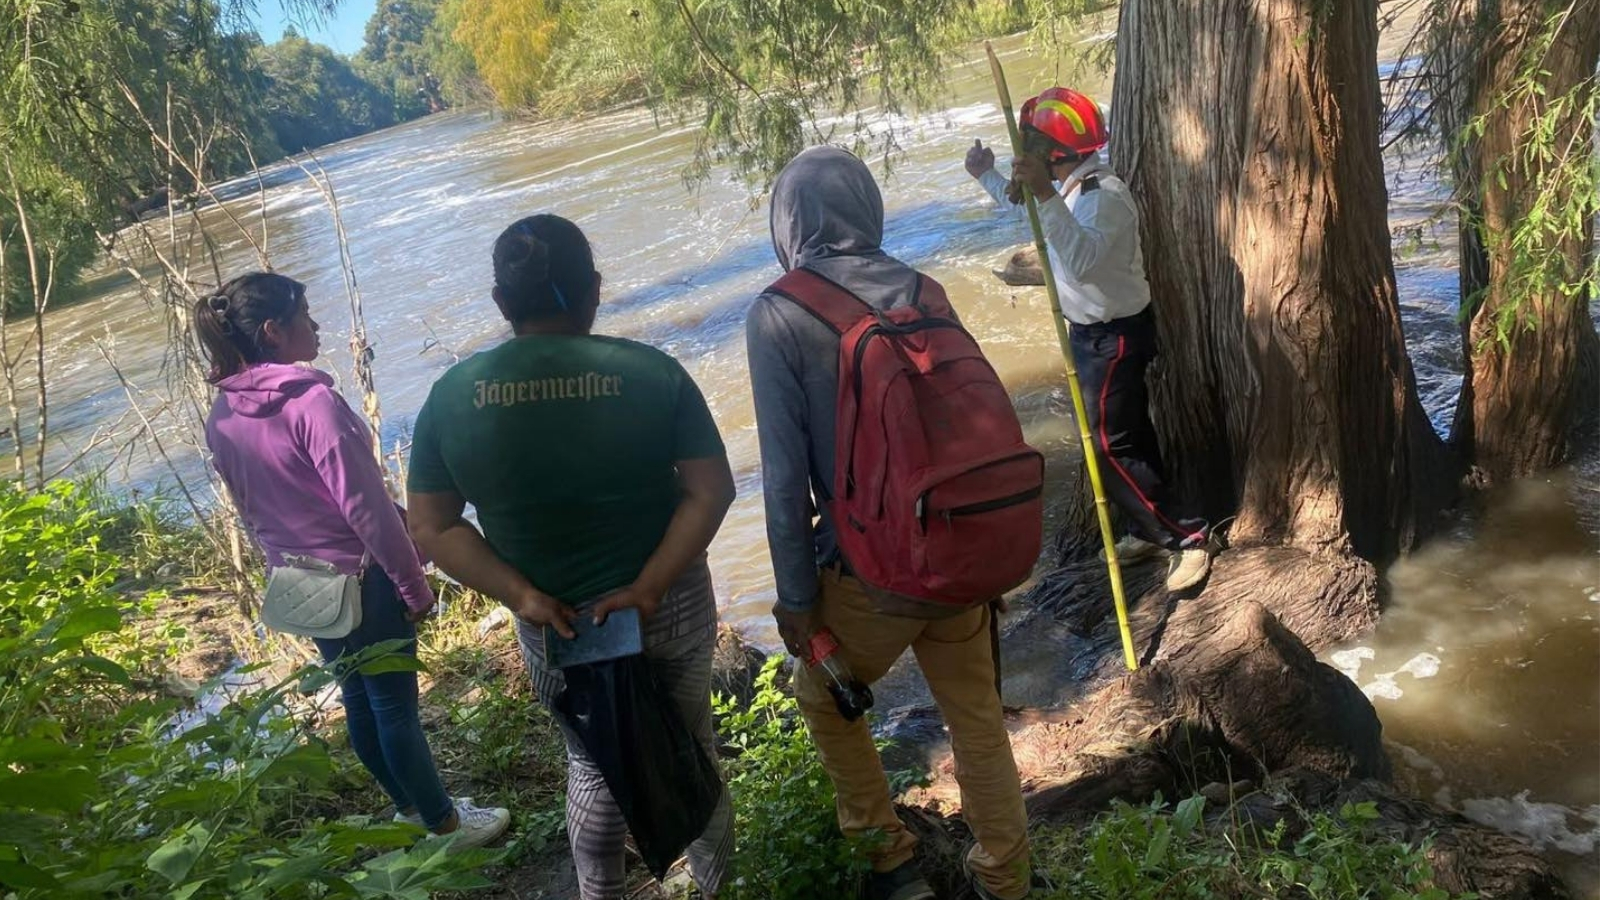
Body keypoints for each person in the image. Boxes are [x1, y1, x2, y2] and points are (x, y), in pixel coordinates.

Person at [405, 215, 737, 900]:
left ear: (502, 303)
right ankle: (721, 887)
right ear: (594, 290)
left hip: (554, 622)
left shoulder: (449, 399)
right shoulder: (652, 374)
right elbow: (711, 490)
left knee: (591, 768)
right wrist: (647, 587)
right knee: (692, 750)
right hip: (666, 607)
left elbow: (432, 527)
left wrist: (519, 596)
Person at [747, 146, 1035, 900]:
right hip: (955, 549)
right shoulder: (924, 287)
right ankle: (1005, 878)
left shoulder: (778, 312)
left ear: (790, 222)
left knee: (821, 698)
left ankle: (891, 864)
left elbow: (783, 482)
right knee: (974, 715)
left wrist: (796, 599)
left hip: (869, 573)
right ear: (866, 207)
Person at [195, 272, 511, 849]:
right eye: (305, 315)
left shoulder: (223, 416)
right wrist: (414, 588)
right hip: (363, 584)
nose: (315, 326)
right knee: (394, 709)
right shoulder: (313, 404)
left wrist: (285, 566)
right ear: (273, 330)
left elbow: (259, 511)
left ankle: (413, 811)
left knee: (360, 700)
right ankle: (445, 825)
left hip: (304, 585)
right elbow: (366, 512)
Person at [966, 87, 1214, 592]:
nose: (1024, 154)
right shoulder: (1070, 189)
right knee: (1132, 436)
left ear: (1051, 153)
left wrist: (1043, 194)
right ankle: (1151, 527)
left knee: (1107, 448)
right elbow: (1031, 215)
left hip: (1113, 338)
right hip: (1094, 334)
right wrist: (987, 176)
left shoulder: (1102, 197)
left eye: (1031, 145)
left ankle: (1187, 537)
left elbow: (1079, 259)